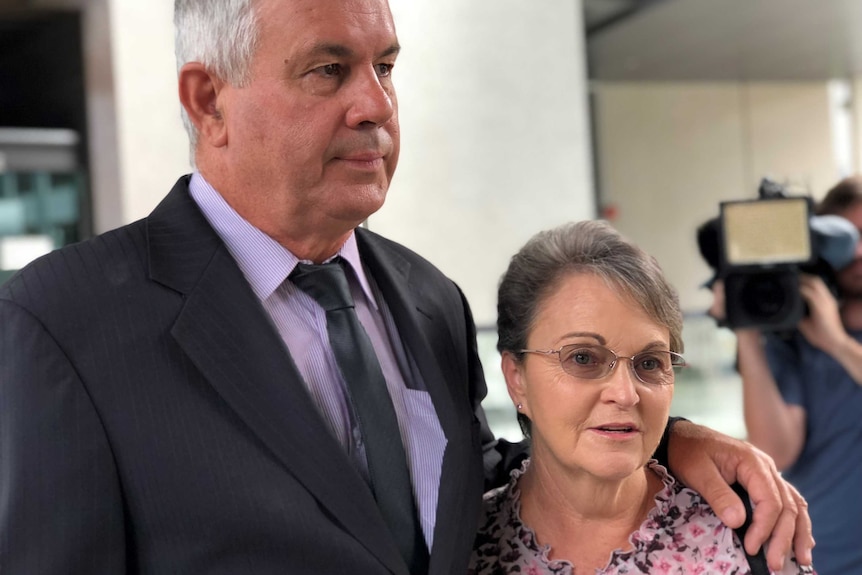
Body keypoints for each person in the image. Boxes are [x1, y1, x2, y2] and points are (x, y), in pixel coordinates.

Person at [0, 0, 812, 573]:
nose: (377, 104)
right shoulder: (65, 322)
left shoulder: (429, 298)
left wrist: (675, 439)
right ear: (208, 100)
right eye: (329, 70)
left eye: (385, 65)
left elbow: (486, 476)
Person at [468, 220, 814, 575]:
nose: (625, 393)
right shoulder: (459, 544)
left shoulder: (745, 537)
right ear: (516, 378)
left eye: (649, 363)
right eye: (583, 358)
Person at [708, 176, 862, 575]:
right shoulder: (790, 340)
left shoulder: (826, 341)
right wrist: (747, 331)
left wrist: (839, 345)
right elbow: (776, 451)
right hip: (823, 560)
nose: (859, 251)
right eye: (852, 239)